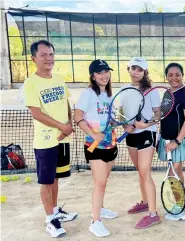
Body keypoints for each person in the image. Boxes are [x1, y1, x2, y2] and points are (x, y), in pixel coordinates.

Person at [23, 40, 78, 238]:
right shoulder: (31, 83)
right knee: (46, 181)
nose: (48, 59)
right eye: (43, 55)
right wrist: (62, 126)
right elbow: (36, 113)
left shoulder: (59, 79)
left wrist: (69, 123)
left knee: (55, 178)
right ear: (34, 58)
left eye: (51, 54)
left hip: (63, 138)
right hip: (46, 141)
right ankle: (50, 220)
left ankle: (55, 211)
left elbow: (67, 104)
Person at [74, 59, 118, 237]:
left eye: (106, 71)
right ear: (93, 76)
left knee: (104, 180)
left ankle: (100, 208)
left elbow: (111, 119)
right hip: (95, 146)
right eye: (100, 72)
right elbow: (77, 116)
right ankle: (95, 221)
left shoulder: (108, 95)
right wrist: (93, 134)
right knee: (99, 182)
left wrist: (122, 125)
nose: (104, 75)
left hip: (111, 144)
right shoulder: (88, 93)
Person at [121, 57, 161, 229]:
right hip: (131, 136)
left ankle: (153, 214)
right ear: (128, 69)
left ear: (145, 72)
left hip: (147, 132)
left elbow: (158, 115)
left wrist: (145, 124)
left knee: (145, 171)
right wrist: (125, 125)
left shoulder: (151, 91)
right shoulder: (123, 89)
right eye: (133, 68)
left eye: (140, 69)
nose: (136, 72)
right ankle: (145, 202)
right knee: (140, 171)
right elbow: (122, 112)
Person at [157, 63, 185, 221]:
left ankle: (179, 209)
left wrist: (176, 141)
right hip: (166, 137)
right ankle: (182, 203)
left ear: (182, 75)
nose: (174, 78)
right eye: (170, 74)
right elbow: (163, 113)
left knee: (174, 172)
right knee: (177, 172)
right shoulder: (167, 92)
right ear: (166, 76)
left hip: (179, 140)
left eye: (177, 74)